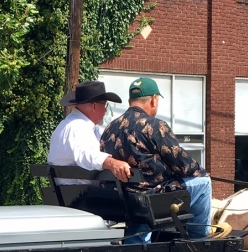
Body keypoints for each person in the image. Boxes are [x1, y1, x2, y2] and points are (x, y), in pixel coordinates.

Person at [101, 77, 211, 243]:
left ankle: (137, 242)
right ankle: (199, 242)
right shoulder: (154, 126)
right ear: (153, 100)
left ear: (131, 100)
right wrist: (201, 171)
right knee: (203, 183)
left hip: (121, 199)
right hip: (150, 199)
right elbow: (185, 165)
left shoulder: (110, 128)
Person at [48, 80, 132, 184]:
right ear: (94, 106)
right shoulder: (76, 127)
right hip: (82, 196)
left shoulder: (81, 126)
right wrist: (112, 163)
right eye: (104, 105)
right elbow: (87, 155)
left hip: (76, 195)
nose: (106, 111)